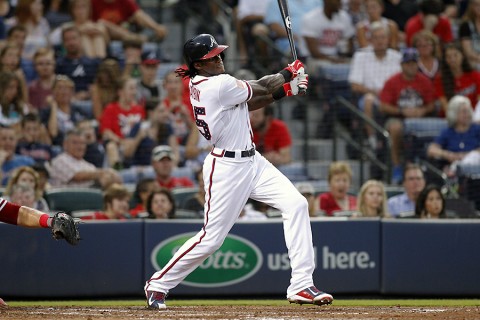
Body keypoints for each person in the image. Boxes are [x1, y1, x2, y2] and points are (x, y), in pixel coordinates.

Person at [144, 34, 332, 310]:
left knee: (296, 204)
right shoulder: (215, 85)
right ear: (198, 64)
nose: (219, 59)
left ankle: (301, 283)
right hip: (227, 168)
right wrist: (288, 72)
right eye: (212, 57)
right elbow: (260, 86)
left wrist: (287, 90)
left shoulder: (210, 83)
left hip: (252, 161)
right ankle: (158, 284)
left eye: (219, 54)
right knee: (211, 239)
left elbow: (248, 102)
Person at [378, 47, 436, 183]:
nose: (411, 66)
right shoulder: (392, 81)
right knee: (396, 128)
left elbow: (432, 104)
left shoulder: (424, 81)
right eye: (408, 63)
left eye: (414, 63)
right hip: (398, 118)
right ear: (402, 65)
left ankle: (426, 168)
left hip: (420, 119)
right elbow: (383, 106)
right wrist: (401, 111)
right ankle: (397, 167)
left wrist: (423, 110)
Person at [348, 21, 401, 149]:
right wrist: (376, 92)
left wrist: (388, 94)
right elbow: (354, 85)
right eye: (376, 37)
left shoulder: (397, 57)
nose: (380, 41)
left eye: (383, 37)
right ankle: (372, 140)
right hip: (371, 96)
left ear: (388, 39)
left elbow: (401, 82)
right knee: (368, 100)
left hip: (392, 98)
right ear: (370, 39)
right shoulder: (361, 56)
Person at [49, 129, 121, 189]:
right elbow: (77, 176)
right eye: (75, 143)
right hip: (67, 200)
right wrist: (103, 172)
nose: (79, 147)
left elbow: (98, 177)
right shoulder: (60, 160)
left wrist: (111, 175)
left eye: (82, 143)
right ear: (65, 144)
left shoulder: (88, 165)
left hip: (89, 197)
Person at [427, 95, 480, 175]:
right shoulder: (448, 132)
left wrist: (467, 155)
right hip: (452, 169)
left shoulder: (477, 129)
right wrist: (448, 155)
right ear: (454, 114)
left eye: (468, 111)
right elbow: (431, 150)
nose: (467, 114)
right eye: (463, 112)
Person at [55, 23, 100, 102]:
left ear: (80, 39)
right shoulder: (59, 65)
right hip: (67, 101)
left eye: (73, 38)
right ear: (63, 43)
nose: (71, 42)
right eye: (67, 40)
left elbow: (97, 85)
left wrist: (87, 94)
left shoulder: (93, 63)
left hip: (91, 100)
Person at [41, 74, 90, 146]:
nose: (64, 92)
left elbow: (87, 132)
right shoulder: (46, 112)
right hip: (59, 147)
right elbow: (53, 133)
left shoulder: (79, 111)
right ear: (53, 91)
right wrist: (53, 107)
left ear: (72, 92)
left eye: (67, 88)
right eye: (60, 88)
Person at [434, 43, 480, 116]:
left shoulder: (475, 75)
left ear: (462, 56)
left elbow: (479, 101)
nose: (452, 59)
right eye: (448, 56)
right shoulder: (439, 79)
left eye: (455, 55)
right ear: (445, 59)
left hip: (474, 117)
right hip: (451, 119)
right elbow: (445, 105)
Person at [90, 0, 167, 43]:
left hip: (123, 35)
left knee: (135, 18)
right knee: (102, 24)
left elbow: (139, 14)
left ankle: (134, 38)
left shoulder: (125, 1)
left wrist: (156, 27)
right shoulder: (93, 2)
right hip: (101, 37)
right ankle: (135, 38)